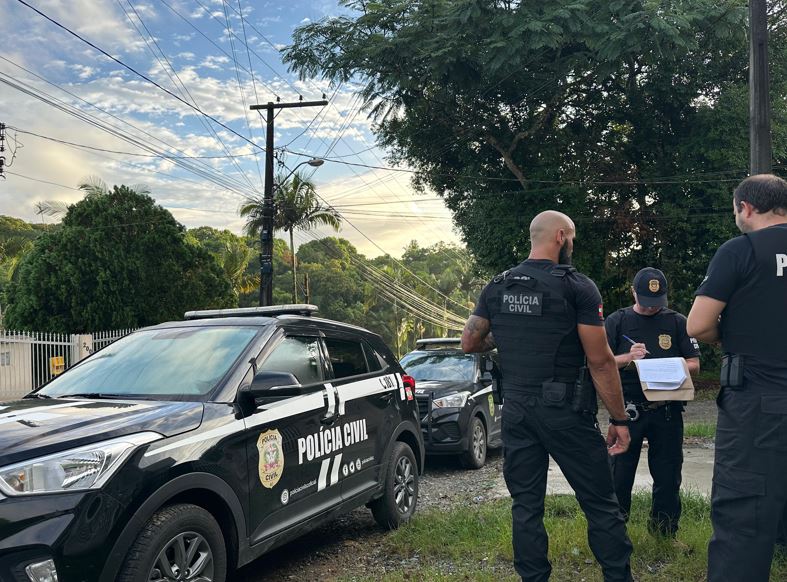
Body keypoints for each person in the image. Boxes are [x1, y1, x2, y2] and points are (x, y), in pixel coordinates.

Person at [462, 210, 633, 582]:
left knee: (526, 506)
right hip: (567, 412)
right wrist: (619, 420)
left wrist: (503, 339)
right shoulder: (577, 287)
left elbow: (470, 341)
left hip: (518, 412)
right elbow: (601, 362)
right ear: (560, 236)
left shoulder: (497, 286)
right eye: (571, 237)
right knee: (601, 504)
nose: (572, 243)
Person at [687, 174, 787, 582]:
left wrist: (729, 335)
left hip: (759, 407)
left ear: (745, 207)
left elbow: (697, 325)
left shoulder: (740, 250)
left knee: (744, 517)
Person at [605, 267, 700, 537]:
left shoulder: (677, 321)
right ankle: (615, 533)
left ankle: (664, 532)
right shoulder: (617, 321)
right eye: (645, 302)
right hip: (627, 409)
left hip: (667, 408)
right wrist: (627, 359)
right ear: (634, 292)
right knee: (619, 474)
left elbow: (695, 363)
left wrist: (670, 364)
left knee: (668, 474)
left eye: (656, 304)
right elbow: (600, 363)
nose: (650, 309)